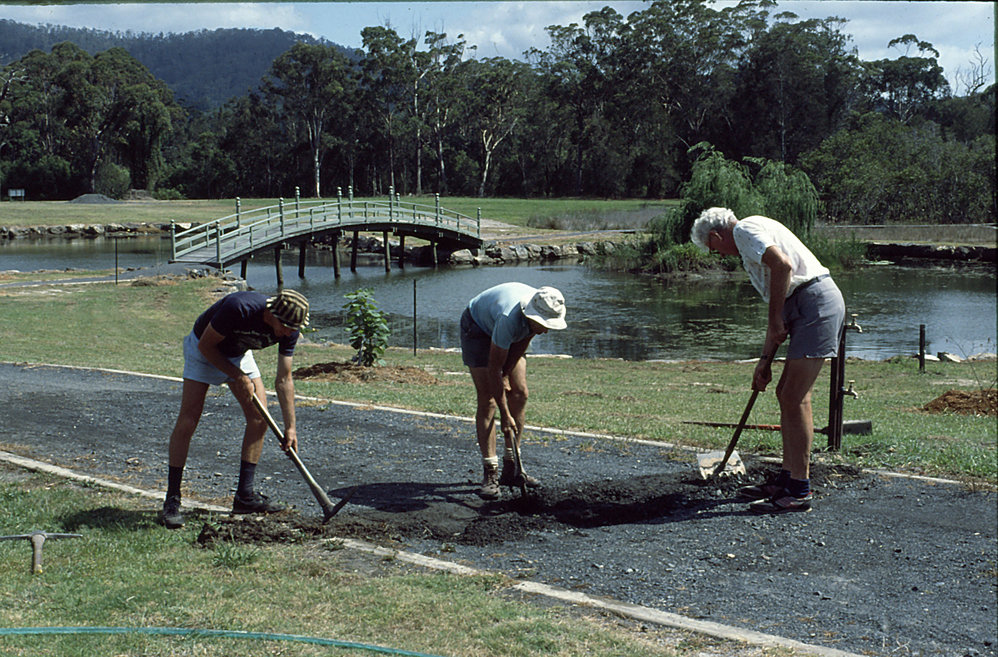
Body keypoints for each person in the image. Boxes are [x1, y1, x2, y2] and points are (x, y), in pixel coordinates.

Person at [691, 207, 845, 514]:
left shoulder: (744, 231)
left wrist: (776, 318)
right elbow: (777, 303)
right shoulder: (751, 232)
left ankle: (800, 490)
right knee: (785, 393)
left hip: (816, 303)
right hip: (800, 304)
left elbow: (783, 267)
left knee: (795, 396)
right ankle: (787, 479)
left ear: (715, 236)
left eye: (714, 249)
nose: (720, 256)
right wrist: (764, 361)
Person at [159, 288, 310, 529]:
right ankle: (172, 501)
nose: (290, 334)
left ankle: (244, 497)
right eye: (286, 327)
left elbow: (284, 380)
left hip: (238, 353)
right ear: (271, 314)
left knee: (260, 419)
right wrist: (237, 377)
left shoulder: (290, 329)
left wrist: (291, 427)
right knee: (189, 420)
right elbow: (206, 347)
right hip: (204, 349)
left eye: (294, 329)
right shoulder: (239, 307)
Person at [460, 283, 567, 499]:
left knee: (520, 392)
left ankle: (512, 466)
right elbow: (494, 369)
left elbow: (517, 349)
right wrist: (505, 414)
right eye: (544, 325)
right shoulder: (509, 319)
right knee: (488, 399)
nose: (546, 330)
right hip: (478, 328)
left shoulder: (537, 314)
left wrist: (507, 376)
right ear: (532, 316)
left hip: (508, 328)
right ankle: (490, 472)